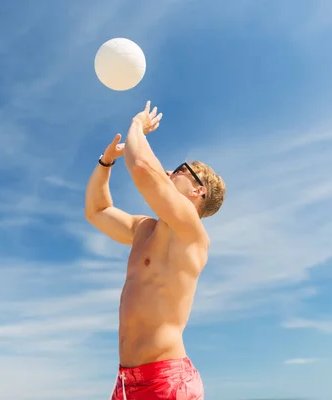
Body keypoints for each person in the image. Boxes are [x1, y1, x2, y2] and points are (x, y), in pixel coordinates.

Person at [84, 101, 226, 400]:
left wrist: (138, 126)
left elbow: (142, 167)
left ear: (199, 191)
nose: (171, 171)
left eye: (181, 170)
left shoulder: (190, 232)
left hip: (166, 380)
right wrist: (105, 163)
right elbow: (97, 210)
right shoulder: (144, 229)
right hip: (125, 383)